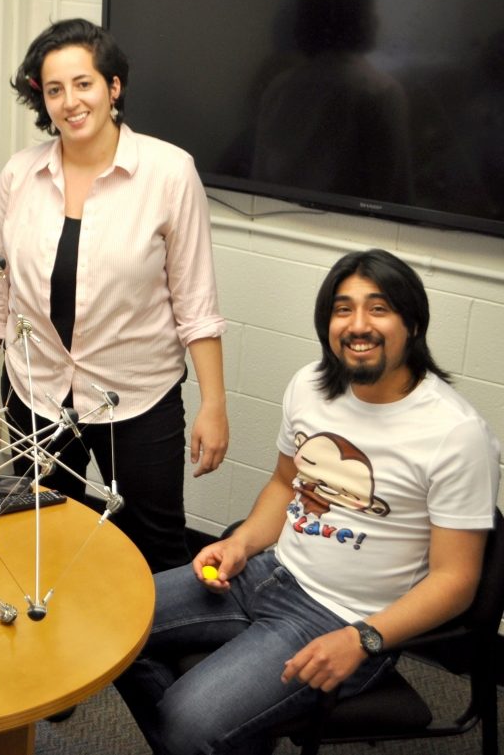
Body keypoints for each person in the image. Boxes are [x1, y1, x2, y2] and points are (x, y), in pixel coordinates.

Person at [115, 249, 500, 755]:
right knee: (110, 631)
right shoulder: (311, 387)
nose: (358, 324)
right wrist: (242, 543)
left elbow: (456, 581)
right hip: (264, 571)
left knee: (187, 723)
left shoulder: (456, 433)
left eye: (378, 308)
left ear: (412, 323)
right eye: (343, 309)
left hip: (342, 619)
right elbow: (283, 484)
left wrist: (363, 639)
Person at [0, 18, 228, 573]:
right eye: (54, 89)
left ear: (114, 87)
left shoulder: (169, 172)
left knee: (154, 545)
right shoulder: (19, 175)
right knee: (43, 534)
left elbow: (195, 301)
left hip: (137, 395)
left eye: (83, 83)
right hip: (36, 391)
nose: (70, 101)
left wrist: (214, 402)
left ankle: (154, 656)